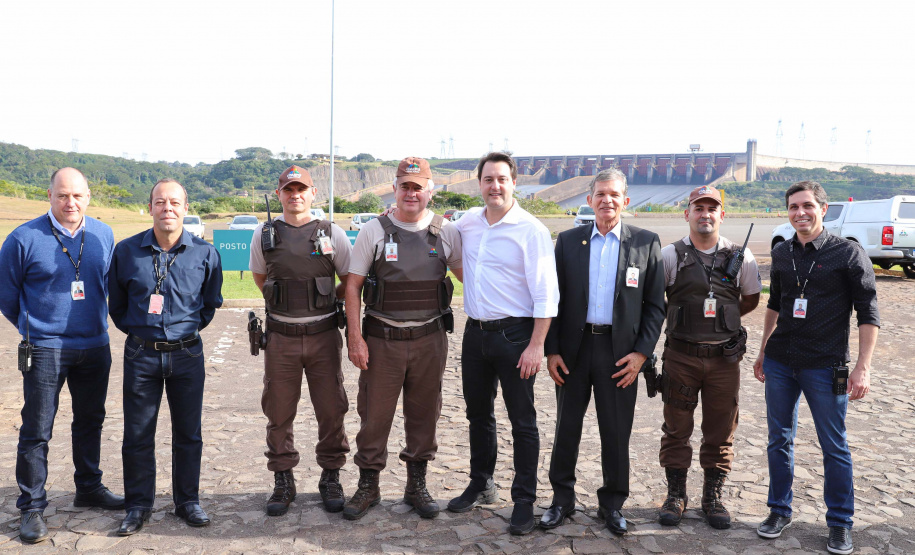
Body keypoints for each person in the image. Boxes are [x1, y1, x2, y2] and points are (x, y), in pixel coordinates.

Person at [754, 181, 878, 555]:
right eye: (793, 207)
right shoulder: (782, 253)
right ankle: (779, 511)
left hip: (826, 366)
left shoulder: (848, 253)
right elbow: (774, 303)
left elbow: (868, 312)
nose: (799, 213)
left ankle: (840, 522)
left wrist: (863, 367)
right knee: (779, 439)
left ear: (824, 209)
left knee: (834, 445)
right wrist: (762, 351)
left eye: (807, 205)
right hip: (780, 361)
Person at [0, 168, 123, 544]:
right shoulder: (23, 238)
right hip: (45, 347)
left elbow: (107, 284)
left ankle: (88, 486)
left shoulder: (103, 234)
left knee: (91, 421)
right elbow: (7, 295)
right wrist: (33, 326)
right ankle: (32, 505)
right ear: (49, 196)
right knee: (37, 428)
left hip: (94, 345)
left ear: (88, 197)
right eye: (63, 196)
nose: (71, 203)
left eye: (78, 196)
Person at [542, 169, 665, 535]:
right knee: (566, 429)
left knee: (615, 433)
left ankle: (612, 504)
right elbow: (553, 300)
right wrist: (551, 350)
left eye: (614, 194)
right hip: (573, 351)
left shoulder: (646, 242)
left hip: (619, 355)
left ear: (625, 200)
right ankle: (561, 500)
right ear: (590, 199)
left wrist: (642, 354)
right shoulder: (567, 242)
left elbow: (655, 306)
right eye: (600, 194)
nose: (607, 200)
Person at [343, 156, 462, 520]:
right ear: (394, 189)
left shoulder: (446, 232)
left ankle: (416, 484)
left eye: (418, 187)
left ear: (431, 191)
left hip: (429, 339)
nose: (411, 193)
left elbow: (470, 279)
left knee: (425, 414)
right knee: (375, 415)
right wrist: (355, 338)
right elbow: (352, 286)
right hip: (382, 340)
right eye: (405, 186)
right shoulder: (374, 231)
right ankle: (369, 485)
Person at [447, 152, 559, 536]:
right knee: (478, 415)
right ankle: (482, 484)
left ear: (514, 183)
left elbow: (547, 295)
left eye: (502, 179)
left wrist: (536, 345)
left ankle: (524, 498)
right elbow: (447, 250)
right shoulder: (468, 223)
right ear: (479, 183)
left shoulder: (531, 230)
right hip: (475, 332)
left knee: (522, 421)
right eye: (488, 179)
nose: (495, 186)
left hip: (516, 336)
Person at [109, 179, 223, 536]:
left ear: (185, 208)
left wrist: (182, 331)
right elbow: (118, 305)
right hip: (141, 353)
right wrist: (144, 331)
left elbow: (209, 305)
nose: (167, 208)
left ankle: (187, 501)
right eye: (160, 202)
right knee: (138, 433)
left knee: (188, 433)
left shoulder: (205, 253)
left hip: (187, 353)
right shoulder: (126, 251)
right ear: (150, 208)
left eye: (175, 202)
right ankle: (138, 505)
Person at [248, 165, 352, 516]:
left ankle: (331, 476)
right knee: (278, 411)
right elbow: (261, 278)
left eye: (301, 189)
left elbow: (350, 280)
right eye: (288, 190)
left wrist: (324, 299)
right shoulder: (264, 234)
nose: (295, 195)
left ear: (312, 194)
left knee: (331, 409)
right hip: (281, 337)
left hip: (323, 335)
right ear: (279, 195)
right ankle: (283, 479)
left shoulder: (331, 232)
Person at [656, 186, 761, 530]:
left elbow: (749, 300)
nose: (705, 214)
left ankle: (712, 498)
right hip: (681, 358)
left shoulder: (740, 257)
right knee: (676, 428)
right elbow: (656, 303)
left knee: (720, 429)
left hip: (724, 361)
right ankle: (676, 495)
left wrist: (722, 324)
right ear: (686, 214)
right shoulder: (671, 256)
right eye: (698, 208)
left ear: (721, 214)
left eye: (711, 208)